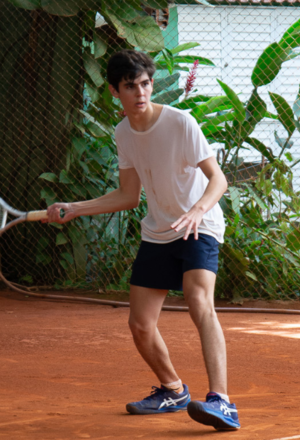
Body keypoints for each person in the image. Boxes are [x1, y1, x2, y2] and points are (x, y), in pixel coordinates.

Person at [43, 49, 239, 431]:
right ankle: (173, 390)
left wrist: (198, 211)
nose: (141, 93)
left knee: (199, 300)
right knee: (140, 325)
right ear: (115, 91)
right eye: (130, 86)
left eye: (146, 84)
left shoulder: (180, 123)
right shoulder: (123, 133)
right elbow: (128, 195)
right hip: (159, 231)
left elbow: (219, 179)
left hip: (199, 225)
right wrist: (76, 208)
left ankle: (222, 401)